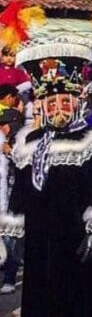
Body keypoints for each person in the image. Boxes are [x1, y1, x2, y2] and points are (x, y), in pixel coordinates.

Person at [0, 38, 92, 317]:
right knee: (40, 304)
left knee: (76, 304)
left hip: (76, 238)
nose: (59, 107)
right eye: (52, 102)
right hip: (40, 240)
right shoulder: (28, 140)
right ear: (42, 105)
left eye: (65, 101)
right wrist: (14, 231)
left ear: (76, 101)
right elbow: (20, 189)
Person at [0, 107, 22, 294]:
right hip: (2, 199)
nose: (2, 128)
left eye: (4, 125)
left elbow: (25, 166)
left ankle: (9, 278)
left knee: (11, 240)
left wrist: (10, 152)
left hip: (15, 201)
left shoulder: (20, 143)